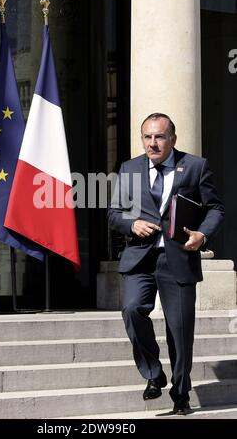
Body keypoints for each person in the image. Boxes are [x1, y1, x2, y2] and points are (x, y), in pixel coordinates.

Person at [108, 113, 224, 415]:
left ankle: (181, 393)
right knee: (132, 310)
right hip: (140, 258)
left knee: (180, 330)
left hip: (179, 259)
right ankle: (153, 373)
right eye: (147, 137)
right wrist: (132, 225)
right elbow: (114, 213)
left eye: (159, 136)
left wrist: (202, 234)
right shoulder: (130, 168)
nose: (152, 143)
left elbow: (215, 209)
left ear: (172, 138)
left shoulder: (195, 166)